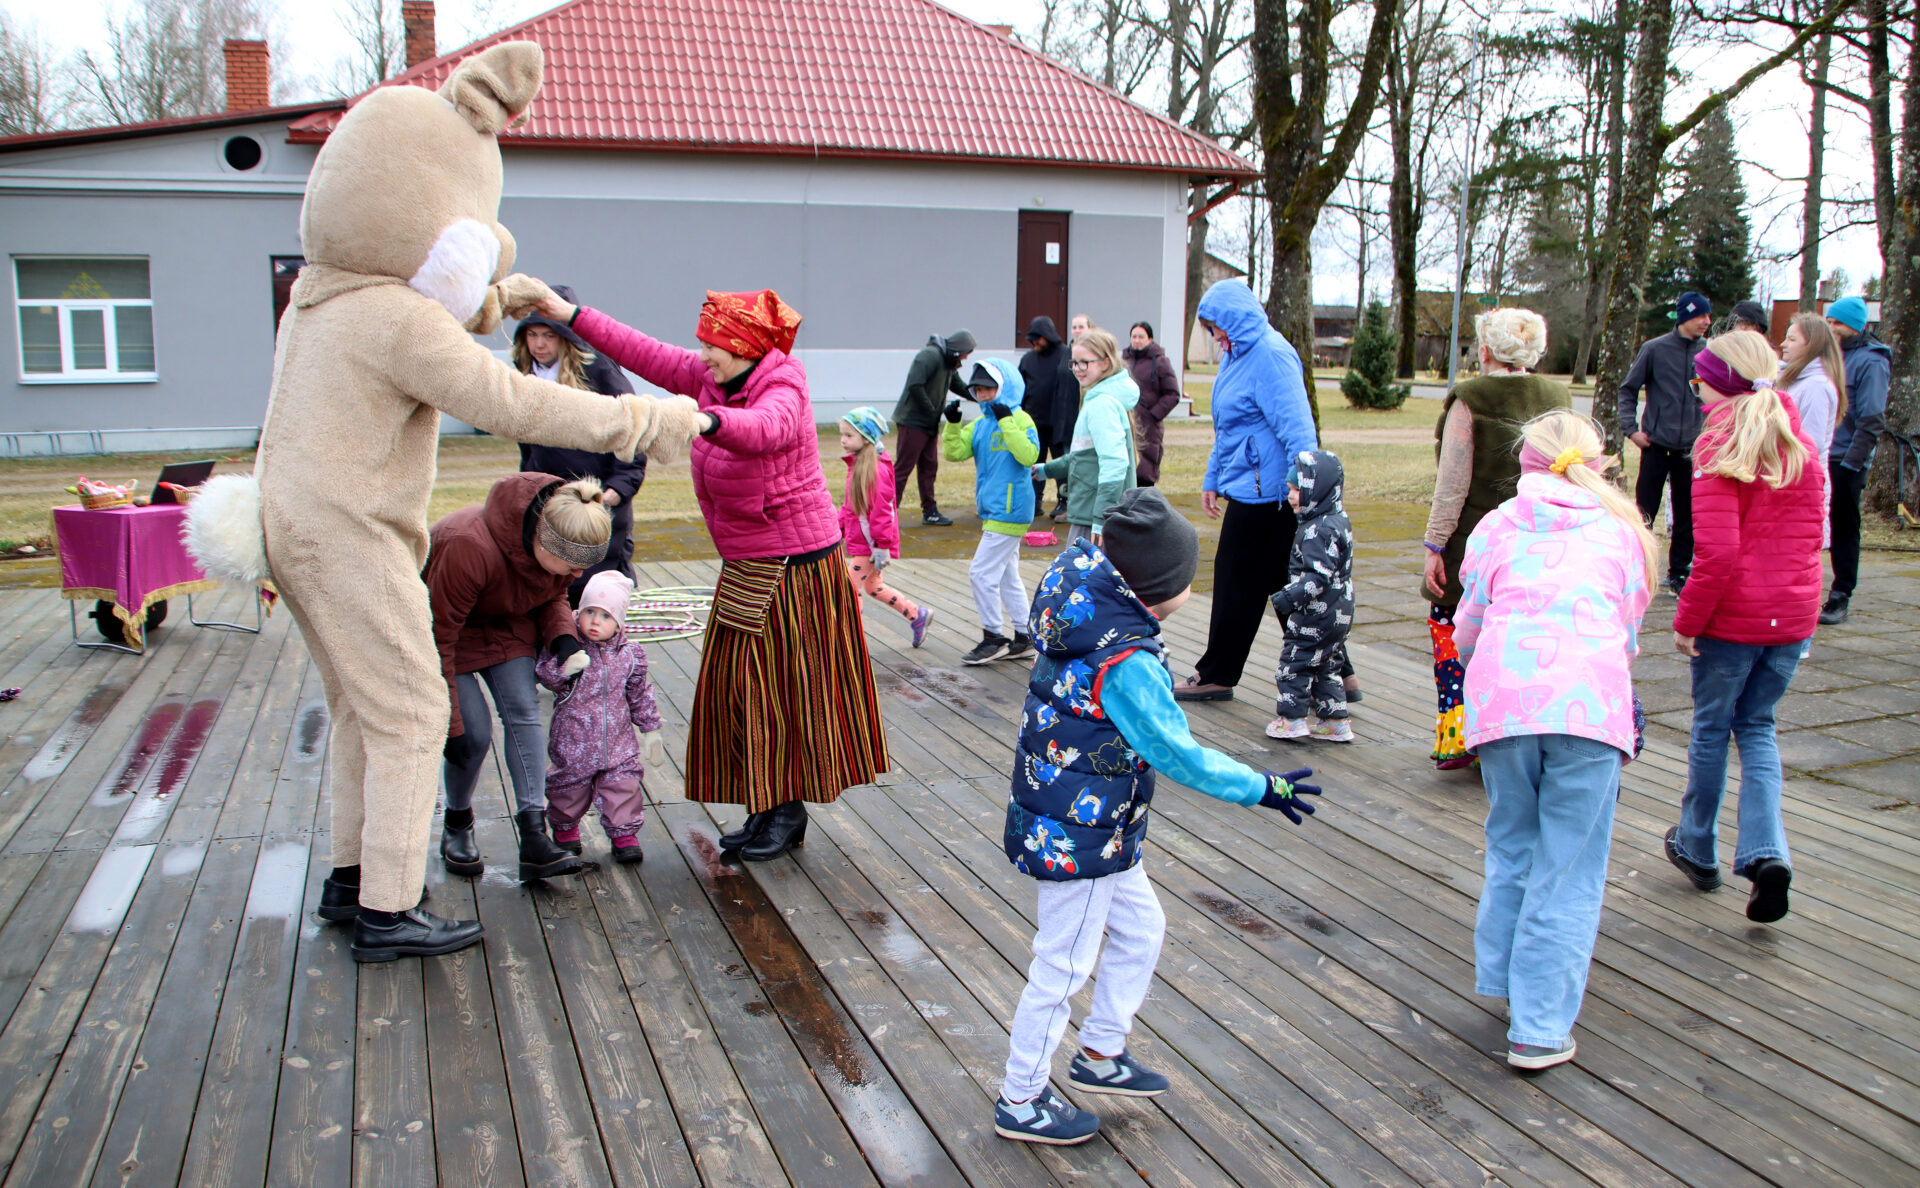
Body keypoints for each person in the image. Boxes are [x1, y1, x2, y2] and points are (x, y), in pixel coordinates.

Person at [993, 488, 1322, 1145]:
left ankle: (1100, 1051)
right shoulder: (1125, 661)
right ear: (1157, 588)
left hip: (1096, 823)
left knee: (1143, 929)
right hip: (1078, 839)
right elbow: (1179, 753)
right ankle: (1021, 1097)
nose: (1192, 588)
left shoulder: (1086, 606)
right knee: (1062, 966)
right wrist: (1259, 787)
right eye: (1188, 578)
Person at [525, 284, 889, 863]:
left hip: (794, 566)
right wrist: (567, 312)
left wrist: (700, 420)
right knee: (742, 690)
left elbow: (764, 428)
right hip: (750, 561)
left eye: (713, 346)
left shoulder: (783, 384)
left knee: (780, 691)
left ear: (742, 346)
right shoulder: (713, 377)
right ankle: (768, 804)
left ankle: (786, 810)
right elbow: (641, 351)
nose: (703, 356)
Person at [1455, 410, 1655, 1072]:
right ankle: (1540, 1026)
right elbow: (1627, 628)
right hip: (1589, 709)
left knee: (1513, 842)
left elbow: (1469, 624)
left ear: (1525, 464)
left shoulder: (1496, 526)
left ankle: (1508, 977)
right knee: (1568, 864)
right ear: (1597, 464)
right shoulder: (1622, 532)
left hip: (1505, 707)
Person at [1664, 331, 1825, 924]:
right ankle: (1766, 853)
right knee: (1757, 728)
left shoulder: (1718, 446)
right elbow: (1813, 538)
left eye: (1700, 380)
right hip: (1791, 619)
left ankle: (1697, 844)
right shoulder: (1799, 443)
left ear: (1720, 384)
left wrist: (1688, 620)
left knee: (1711, 729)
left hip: (1732, 621)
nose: (1696, 389)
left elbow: (1717, 553)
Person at [426, 474, 609, 884]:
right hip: (449, 634)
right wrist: (450, 724)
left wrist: (562, 637)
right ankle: (457, 822)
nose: (578, 574)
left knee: (525, 712)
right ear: (542, 543)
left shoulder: (557, 549)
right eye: (573, 566)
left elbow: (553, 593)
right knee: (472, 735)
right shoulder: (466, 546)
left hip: (507, 625)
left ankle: (533, 836)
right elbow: (439, 639)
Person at [1421, 308, 1571, 769]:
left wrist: (1435, 544)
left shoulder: (1470, 398)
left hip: (1475, 543)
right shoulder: (1558, 397)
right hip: (1540, 542)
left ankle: (1459, 735)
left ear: (1485, 349)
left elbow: (1452, 482)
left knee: (1453, 632)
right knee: (1520, 644)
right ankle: (1511, 735)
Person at [1173, 279, 1318, 703]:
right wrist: (1213, 478)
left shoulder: (1271, 355)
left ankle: (1217, 674)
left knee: (1236, 583)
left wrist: (1300, 483)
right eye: (1209, 328)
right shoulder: (1234, 356)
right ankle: (1336, 672)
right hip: (1250, 489)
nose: (1214, 336)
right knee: (1287, 587)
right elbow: (1228, 428)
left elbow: (1299, 429)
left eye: (1216, 326)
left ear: (1235, 318)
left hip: (1273, 496)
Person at [513, 284, 647, 603]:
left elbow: (632, 427)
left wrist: (620, 486)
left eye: (549, 335)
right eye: (533, 335)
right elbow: (527, 447)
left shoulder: (598, 368)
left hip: (598, 497)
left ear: (565, 335)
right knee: (553, 587)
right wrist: (528, 486)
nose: (539, 345)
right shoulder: (525, 376)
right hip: (552, 499)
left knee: (597, 592)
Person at [534, 570, 663, 864]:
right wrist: (565, 668)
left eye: (605, 616)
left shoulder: (630, 654)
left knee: (623, 787)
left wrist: (651, 729)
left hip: (618, 741)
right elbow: (545, 675)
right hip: (574, 738)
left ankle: (624, 835)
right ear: (578, 612)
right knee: (568, 787)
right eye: (589, 612)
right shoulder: (570, 646)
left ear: (618, 622)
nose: (595, 621)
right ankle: (565, 830)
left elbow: (639, 694)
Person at [944, 359, 1042, 665]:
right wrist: (952, 424)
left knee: (981, 573)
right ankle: (1024, 638)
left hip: (1011, 510)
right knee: (1007, 576)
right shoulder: (981, 424)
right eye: (977, 389)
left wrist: (1007, 421)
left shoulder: (1020, 418)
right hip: (994, 511)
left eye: (989, 388)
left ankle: (993, 637)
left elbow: (1029, 455)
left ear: (1004, 387)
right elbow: (954, 452)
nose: (983, 395)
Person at [1618, 290, 1711, 593]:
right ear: (1685, 316)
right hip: (1656, 445)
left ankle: (1679, 573)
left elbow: (1714, 396)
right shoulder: (1654, 349)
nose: (1707, 322)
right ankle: (1636, 570)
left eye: (1708, 316)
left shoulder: (1708, 352)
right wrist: (1631, 429)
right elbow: (1628, 389)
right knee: (1644, 512)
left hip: (1691, 449)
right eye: (1701, 315)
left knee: (1687, 514)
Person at [1267, 450, 1355, 743]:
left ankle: (1291, 720)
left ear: (1317, 490)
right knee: (1327, 664)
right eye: (1290, 489)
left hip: (1316, 612)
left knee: (1295, 663)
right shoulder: (1338, 519)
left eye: (1297, 489)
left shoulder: (1316, 530)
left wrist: (1287, 598)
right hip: (1341, 608)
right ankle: (1335, 721)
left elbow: (1317, 577)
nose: (1291, 496)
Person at [1819, 295, 1890, 625]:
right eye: (1829, 322)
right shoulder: (1827, 355)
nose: (1832, 328)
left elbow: (1872, 418)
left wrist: (1852, 464)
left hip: (1847, 459)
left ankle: (1840, 594)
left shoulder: (1872, 362)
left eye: (1838, 323)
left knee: (1844, 527)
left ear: (1855, 326)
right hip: (1822, 452)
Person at [839, 406, 933, 648]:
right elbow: (850, 507)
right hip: (867, 542)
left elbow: (883, 511)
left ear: (866, 437)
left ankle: (851, 641)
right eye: (842, 434)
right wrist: (838, 529)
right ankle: (916, 615)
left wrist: (882, 546)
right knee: (873, 586)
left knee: (849, 589)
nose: (842, 440)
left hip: (872, 545)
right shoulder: (858, 465)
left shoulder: (876, 470)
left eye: (849, 435)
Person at [1036, 328, 1138, 544]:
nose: (1077, 369)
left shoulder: (1102, 405)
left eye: (1084, 362)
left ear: (1106, 363)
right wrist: (1046, 470)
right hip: (1090, 513)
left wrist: (1101, 517)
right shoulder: (1098, 400)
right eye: (1073, 362)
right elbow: (1083, 457)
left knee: (1078, 566)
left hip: (1094, 519)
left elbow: (1115, 463)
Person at [891, 330, 976, 526]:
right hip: (912, 421)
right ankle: (888, 514)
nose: (965, 358)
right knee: (903, 469)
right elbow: (915, 385)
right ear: (958, 349)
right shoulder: (930, 356)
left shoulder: (948, 362)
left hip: (929, 423)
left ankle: (930, 511)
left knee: (929, 468)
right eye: (966, 353)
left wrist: (982, 396)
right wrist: (931, 410)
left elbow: (959, 386)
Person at [1777, 313, 1847, 547]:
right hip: (1788, 481)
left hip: (1800, 486)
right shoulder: (1795, 379)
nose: (1783, 344)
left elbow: (1810, 445)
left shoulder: (1816, 386)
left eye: (1792, 339)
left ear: (1812, 345)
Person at [1021, 316, 1076, 518]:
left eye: (1038, 338)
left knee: (1061, 465)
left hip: (1059, 422)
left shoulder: (1065, 355)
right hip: (1034, 422)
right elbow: (1021, 388)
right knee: (1034, 465)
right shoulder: (1028, 360)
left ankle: (1064, 501)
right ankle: (1034, 502)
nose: (1034, 343)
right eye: (1032, 339)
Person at [1124, 321, 1183, 487]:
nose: (1137, 340)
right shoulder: (1123, 361)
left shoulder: (1160, 362)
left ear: (1150, 339)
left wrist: (1153, 415)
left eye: (1141, 337)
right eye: (1134, 337)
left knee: (1144, 473)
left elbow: (1172, 394)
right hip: (1126, 422)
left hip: (1149, 427)